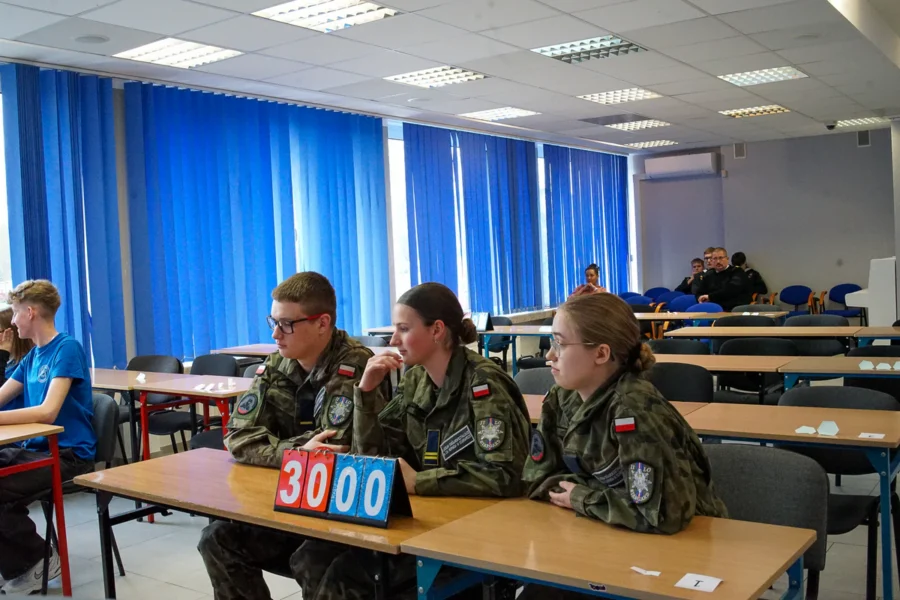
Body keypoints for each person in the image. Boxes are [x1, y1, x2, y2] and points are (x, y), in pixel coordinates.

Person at [290, 282, 532, 600]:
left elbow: (507, 475)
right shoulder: (416, 379)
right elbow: (373, 455)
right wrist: (365, 394)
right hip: (429, 515)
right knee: (309, 558)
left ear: (437, 330)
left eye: (404, 329)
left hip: (479, 525)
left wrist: (420, 481)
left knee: (345, 577)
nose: (393, 340)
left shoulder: (484, 385)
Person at [519, 294, 727, 598]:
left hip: (677, 550)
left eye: (560, 344)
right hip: (603, 534)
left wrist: (581, 496)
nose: (550, 355)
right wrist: (590, 496)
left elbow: (662, 515)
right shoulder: (561, 397)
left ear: (601, 353)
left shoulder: (633, 410)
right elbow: (537, 478)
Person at [198, 272, 391, 600]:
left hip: (340, 510)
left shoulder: (354, 364)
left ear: (322, 323)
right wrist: (296, 452)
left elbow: (335, 450)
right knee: (216, 539)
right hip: (287, 500)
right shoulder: (276, 365)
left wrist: (283, 451)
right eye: (273, 322)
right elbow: (237, 436)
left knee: (310, 561)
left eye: (286, 324)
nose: (275, 333)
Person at [0, 280, 95, 595]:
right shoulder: (32, 357)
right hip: (38, 450)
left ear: (29, 312)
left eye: (15, 313)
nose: (13, 322)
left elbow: (48, 412)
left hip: (68, 455)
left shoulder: (66, 348)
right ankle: (19, 563)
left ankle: (37, 560)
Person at [0, 307, 35, 410]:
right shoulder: (7, 362)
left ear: (13, 333)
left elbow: (4, 393)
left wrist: (2, 354)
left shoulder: (28, 363)